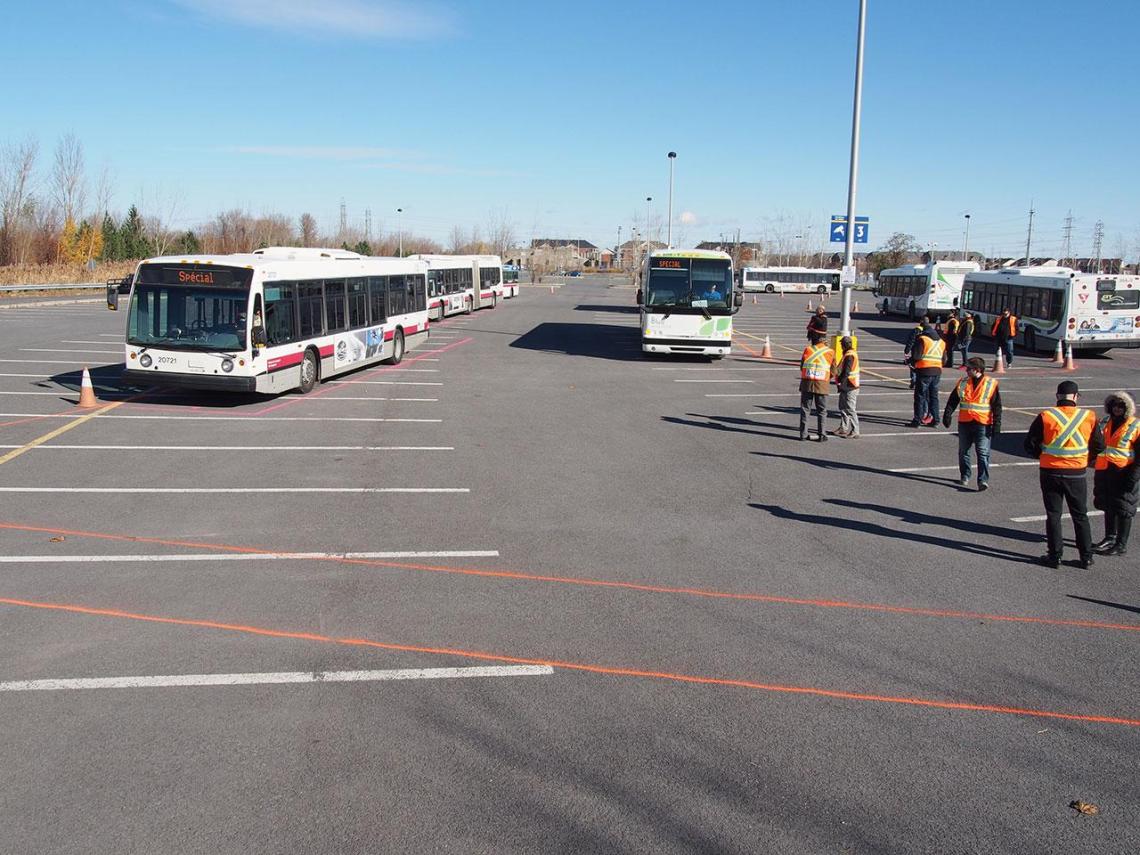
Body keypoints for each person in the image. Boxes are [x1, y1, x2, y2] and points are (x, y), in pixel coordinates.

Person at [1024, 381, 1105, 569]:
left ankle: (1055, 556)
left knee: (1053, 514)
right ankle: (1086, 557)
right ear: (1076, 396)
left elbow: (1030, 444)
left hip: (1050, 471)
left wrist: (1043, 455)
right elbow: (1099, 445)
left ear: (1057, 396)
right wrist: (1084, 458)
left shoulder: (1046, 416)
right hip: (1076, 472)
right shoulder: (1089, 416)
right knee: (1080, 515)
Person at [942, 357, 1001, 490]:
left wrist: (997, 424)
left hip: (983, 423)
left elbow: (997, 406)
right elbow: (953, 400)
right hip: (965, 422)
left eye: (969, 368)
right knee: (963, 451)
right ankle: (965, 475)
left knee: (982, 452)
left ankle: (983, 480)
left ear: (977, 370)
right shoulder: (963, 382)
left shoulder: (990, 384)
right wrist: (947, 414)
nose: (967, 370)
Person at [1092, 392, 1139, 556]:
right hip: (1105, 471)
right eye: (1114, 405)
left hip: (1124, 472)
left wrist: (1133, 477)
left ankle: (1121, 543)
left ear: (1128, 407)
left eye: (1121, 405)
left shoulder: (1135, 426)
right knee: (1108, 505)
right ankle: (1109, 537)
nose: (1117, 408)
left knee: (1124, 508)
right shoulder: (1105, 422)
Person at [799, 332, 834, 442]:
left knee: (805, 409)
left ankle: (803, 434)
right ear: (824, 341)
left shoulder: (808, 350)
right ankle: (822, 434)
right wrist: (827, 376)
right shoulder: (830, 352)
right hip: (822, 384)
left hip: (807, 383)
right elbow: (834, 370)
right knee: (822, 411)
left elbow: (802, 366)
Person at [907, 322, 944, 427]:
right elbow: (944, 359)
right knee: (933, 396)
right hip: (937, 371)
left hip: (924, 371)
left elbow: (916, 356)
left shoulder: (923, 339)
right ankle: (936, 419)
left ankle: (917, 420)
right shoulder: (941, 342)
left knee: (920, 396)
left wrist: (909, 361)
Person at [833, 336, 860, 438]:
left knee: (850, 409)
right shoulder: (848, 354)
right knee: (843, 407)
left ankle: (855, 430)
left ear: (844, 345)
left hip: (850, 385)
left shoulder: (850, 355)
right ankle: (843, 428)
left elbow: (846, 372)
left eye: (841, 344)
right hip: (848, 385)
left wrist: (840, 383)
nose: (840, 346)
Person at [903, 315, 930, 389]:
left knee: (913, 367)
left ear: (921, 321)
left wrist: (907, 350)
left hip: (916, 352)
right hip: (926, 352)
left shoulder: (916, 330)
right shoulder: (929, 331)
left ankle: (913, 381)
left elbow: (911, 341)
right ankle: (921, 383)